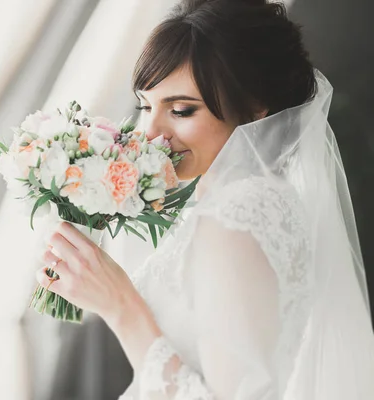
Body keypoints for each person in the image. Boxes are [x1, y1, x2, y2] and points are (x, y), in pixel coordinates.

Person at [35, 0, 374, 398]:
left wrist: (121, 305)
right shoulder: (262, 203)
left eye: (180, 110)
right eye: (146, 106)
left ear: (254, 112)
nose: (152, 132)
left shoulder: (237, 217)